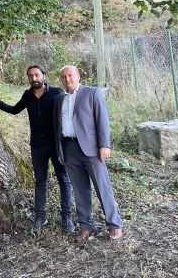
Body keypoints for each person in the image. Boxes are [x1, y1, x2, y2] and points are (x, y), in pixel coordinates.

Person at [0, 64, 74, 234]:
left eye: (37, 75)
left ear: (44, 75)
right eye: (30, 76)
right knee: (40, 182)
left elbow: (69, 114)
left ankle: (66, 217)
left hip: (56, 145)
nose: (34, 79)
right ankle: (40, 217)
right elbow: (14, 110)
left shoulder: (57, 93)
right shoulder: (27, 95)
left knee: (64, 180)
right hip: (37, 146)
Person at [53, 65, 123, 242]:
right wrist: (60, 151)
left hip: (91, 148)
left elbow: (102, 119)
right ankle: (86, 225)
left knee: (102, 187)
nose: (67, 79)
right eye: (64, 76)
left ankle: (114, 224)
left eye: (70, 75)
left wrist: (104, 145)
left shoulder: (92, 93)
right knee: (79, 190)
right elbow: (57, 128)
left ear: (78, 76)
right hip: (69, 149)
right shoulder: (60, 99)